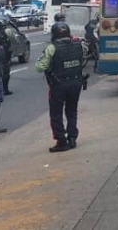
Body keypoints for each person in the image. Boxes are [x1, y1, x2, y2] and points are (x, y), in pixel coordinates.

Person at [36, 21, 86, 152]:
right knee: (72, 111)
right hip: (76, 83)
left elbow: (40, 67)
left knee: (56, 113)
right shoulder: (79, 44)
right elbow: (84, 57)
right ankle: (72, 137)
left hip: (58, 85)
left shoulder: (51, 48)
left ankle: (61, 141)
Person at [0, 19, 18, 95]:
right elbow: (13, 40)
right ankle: (5, 89)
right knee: (6, 73)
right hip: (5, 54)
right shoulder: (7, 31)